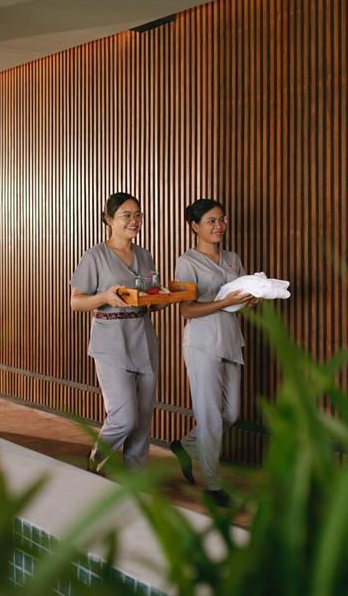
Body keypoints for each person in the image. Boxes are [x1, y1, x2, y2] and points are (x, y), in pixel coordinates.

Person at [170, 198, 259, 506]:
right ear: (195, 226)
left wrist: (252, 299)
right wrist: (222, 303)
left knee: (230, 414)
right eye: (211, 221)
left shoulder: (233, 258)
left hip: (232, 340)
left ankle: (184, 446)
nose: (219, 225)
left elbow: (241, 298)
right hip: (201, 343)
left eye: (221, 219)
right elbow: (186, 310)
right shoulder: (187, 262)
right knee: (209, 416)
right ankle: (213, 485)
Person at [70, 192, 166, 473]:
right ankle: (95, 464)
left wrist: (160, 299)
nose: (134, 221)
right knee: (124, 416)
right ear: (109, 219)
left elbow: (150, 294)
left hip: (144, 339)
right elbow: (76, 302)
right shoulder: (94, 256)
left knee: (143, 418)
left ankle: (135, 481)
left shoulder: (145, 256)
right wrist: (105, 297)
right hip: (110, 342)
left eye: (138, 215)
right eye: (127, 215)